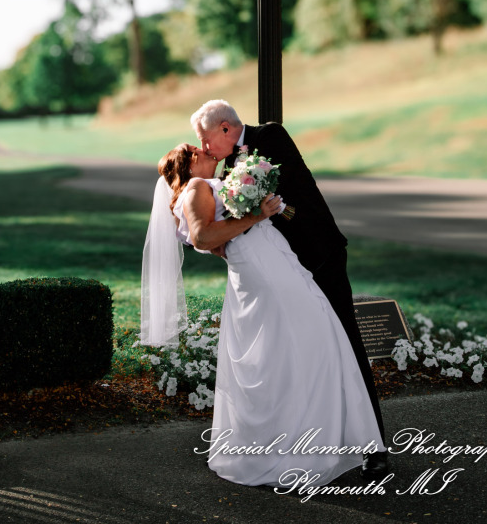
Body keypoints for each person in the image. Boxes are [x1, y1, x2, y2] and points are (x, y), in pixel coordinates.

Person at [140, 141, 386, 489]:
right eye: (196, 149)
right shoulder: (196, 186)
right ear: (190, 163)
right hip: (265, 273)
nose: (205, 149)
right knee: (311, 340)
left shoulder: (210, 185)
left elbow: (215, 240)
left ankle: (302, 440)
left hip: (267, 264)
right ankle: (299, 446)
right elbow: (202, 236)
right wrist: (257, 215)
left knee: (294, 347)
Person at [191, 99, 388, 479]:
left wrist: (269, 210)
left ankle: (373, 446)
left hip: (318, 255)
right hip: (280, 272)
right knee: (299, 355)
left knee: (346, 343)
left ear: (226, 129)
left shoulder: (271, 137)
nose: (204, 147)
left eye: (205, 137)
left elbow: (291, 192)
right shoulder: (227, 165)